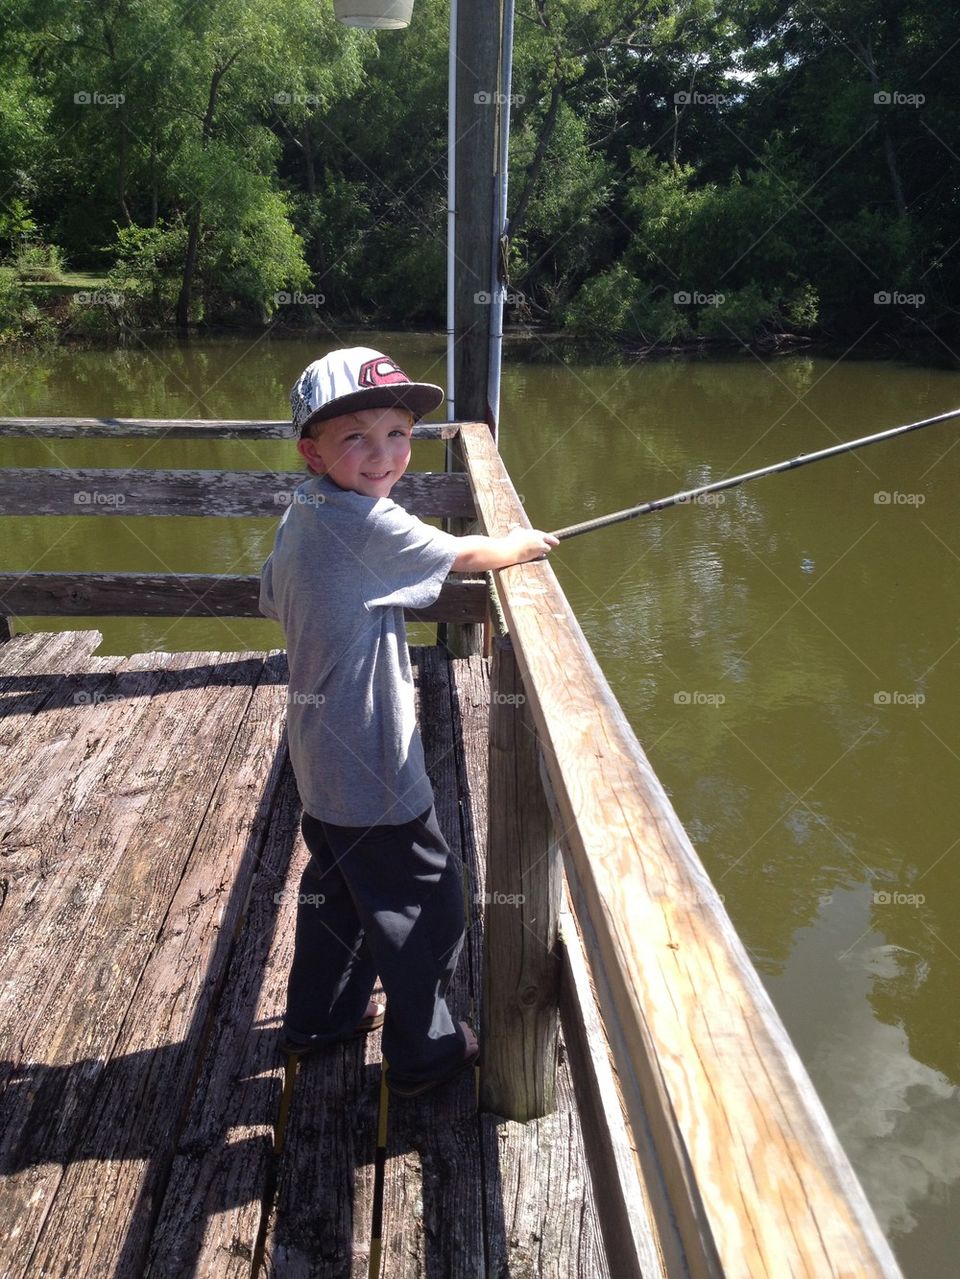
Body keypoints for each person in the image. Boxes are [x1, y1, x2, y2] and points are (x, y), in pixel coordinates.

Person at [259, 346, 558, 1097]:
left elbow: (270, 592)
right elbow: (465, 554)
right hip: (371, 766)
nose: (383, 454)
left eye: (397, 434)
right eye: (356, 437)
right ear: (312, 451)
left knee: (339, 891)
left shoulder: (304, 510)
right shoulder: (368, 524)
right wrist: (520, 545)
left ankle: (320, 1019)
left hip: (320, 758)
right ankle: (426, 1055)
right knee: (429, 903)